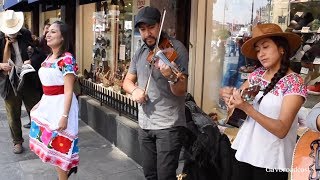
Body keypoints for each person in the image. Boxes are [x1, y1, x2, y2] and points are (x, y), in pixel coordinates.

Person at [220, 23, 307, 180]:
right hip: (244, 151)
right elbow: (236, 114)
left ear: (282, 49)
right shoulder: (256, 75)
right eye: (258, 50)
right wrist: (231, 101)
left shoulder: (294, 82)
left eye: (266, 47)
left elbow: (281, 130)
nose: (261, 54)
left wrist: (247, 108)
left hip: (270, 161)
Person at [123, 6, 189, 180]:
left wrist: (171, 77)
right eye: (143, 30)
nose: (147, 34)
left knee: (165, 176)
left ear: (160, 25)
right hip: (145, 124)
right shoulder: (140, 52)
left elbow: (181, 90)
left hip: (169, 126)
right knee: (150, 175)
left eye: (151, 28)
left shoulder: (176, 49)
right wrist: (135, 90)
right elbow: (127, 82)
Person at [29, 21, 79, 180]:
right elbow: (48, 88)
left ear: (63, 38)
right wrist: (37, 105)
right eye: (47, 31)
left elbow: (68, 90)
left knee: (60, 149)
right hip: (48, 105)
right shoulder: (49, 57)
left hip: (61, 107)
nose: (47, 34)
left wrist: (64, 116)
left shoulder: (67, 59)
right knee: (52, 147)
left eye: (53, 32)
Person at [0, 10, 44, 154]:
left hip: (29, 79)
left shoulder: (25, 34)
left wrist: (31, 61)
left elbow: (40, 53)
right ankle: (17, 141)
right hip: (8, 82)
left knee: (36, 111)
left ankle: (39, 139)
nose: (12, 34)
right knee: (13, 114)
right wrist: (0, 65)